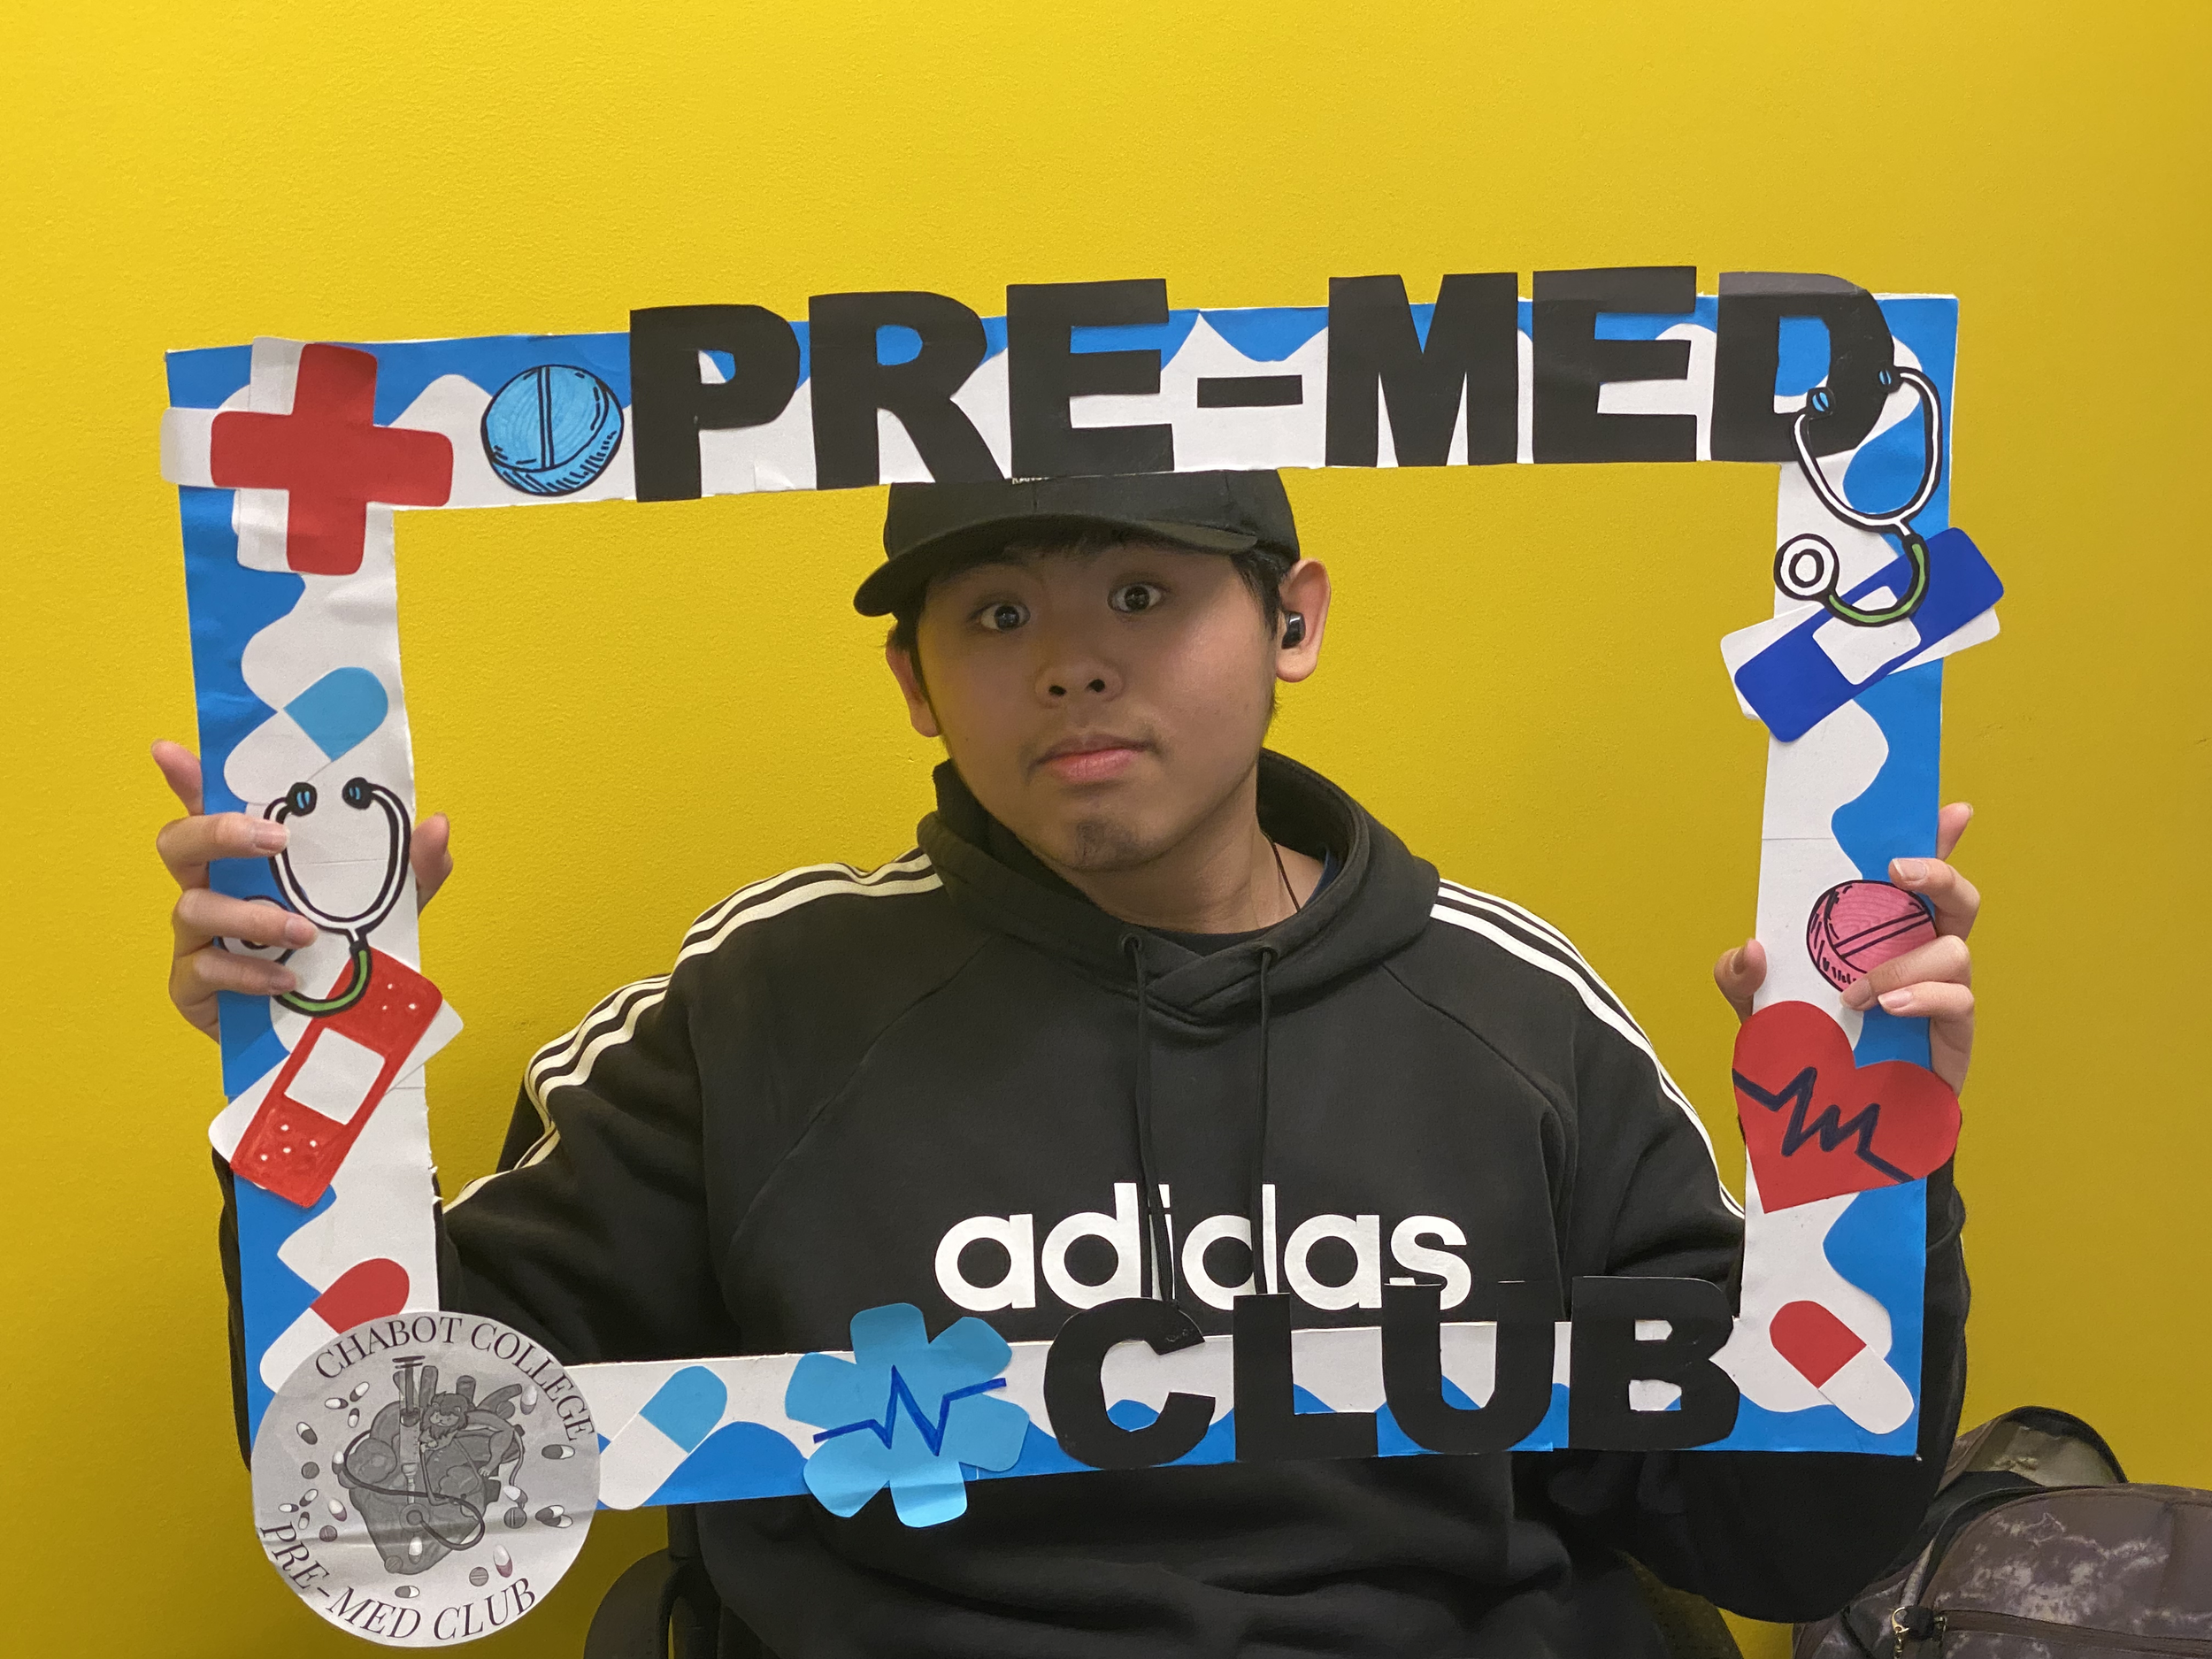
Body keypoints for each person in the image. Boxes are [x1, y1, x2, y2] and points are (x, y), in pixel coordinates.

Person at [155, 470, 1981, 1658]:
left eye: (1139, 594)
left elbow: (1779, 1522)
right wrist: (316, 1061)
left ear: (1291, 622)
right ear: (915, 684)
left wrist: (1862, 1164)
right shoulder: (759, 1000)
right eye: (998, 616)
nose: (1068, 669)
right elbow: (385, 1468)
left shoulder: (1513, 1015)